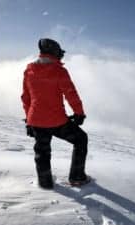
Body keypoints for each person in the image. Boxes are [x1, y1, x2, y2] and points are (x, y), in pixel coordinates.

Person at [21, 38, 90, 189]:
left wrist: (29, 121)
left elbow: (26, 98)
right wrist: (79, 113)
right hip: (57, 121)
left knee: (42, 151)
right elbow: (71, 94)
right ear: (55, 52)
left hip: (36, 121)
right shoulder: (59, 72)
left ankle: (45, 183)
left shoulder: (29, 71)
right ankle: (77, 177)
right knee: (81, 140)